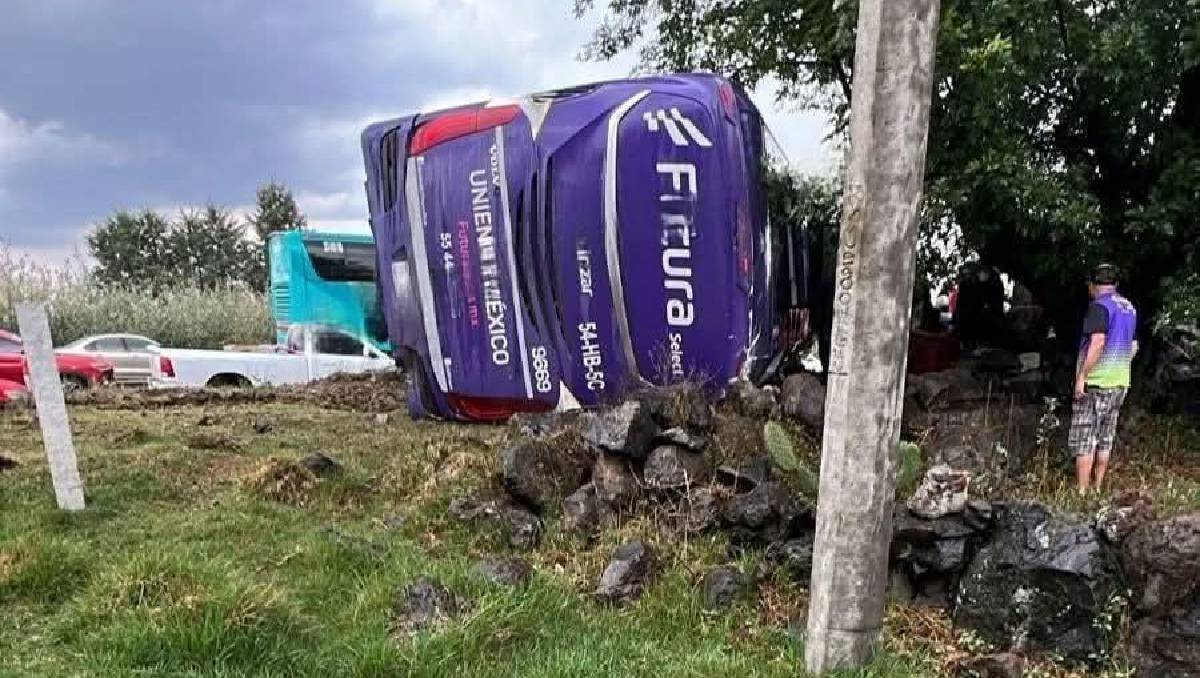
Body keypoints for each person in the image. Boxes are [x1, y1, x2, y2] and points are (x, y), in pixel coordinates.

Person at [1069, 264, 1138, 494]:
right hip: (1120, 381)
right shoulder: (1128, 307)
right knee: (1105, 436)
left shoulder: (1099, 307)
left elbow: (1097, 342)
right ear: (1115, 284)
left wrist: (1082, 377)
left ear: (1092, 285)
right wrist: (1120, 365)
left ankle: (1082, 492)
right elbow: (1134, 345)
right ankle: (1097, 487)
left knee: (1085, 436)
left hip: (1097, 382)